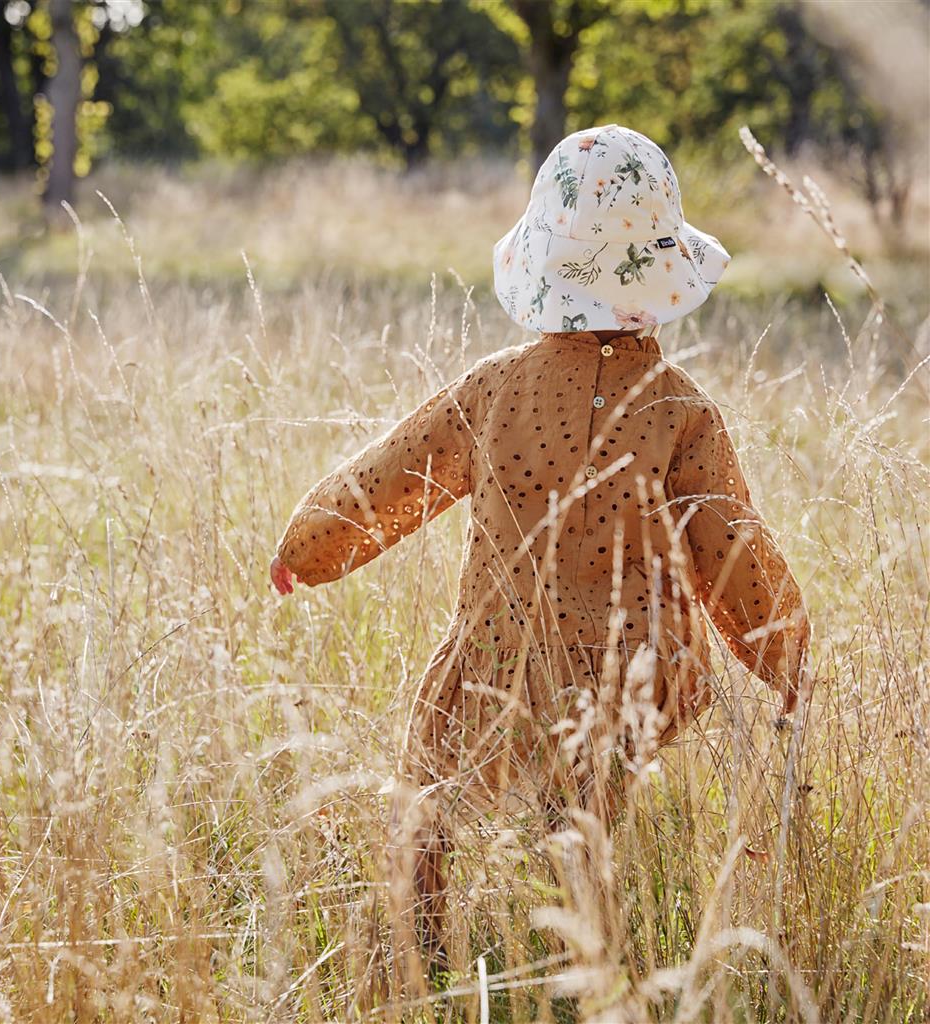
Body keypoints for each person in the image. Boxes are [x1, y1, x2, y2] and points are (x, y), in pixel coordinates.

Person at [270, 124, 810, 971]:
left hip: (499, 651)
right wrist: (784, 656)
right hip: (630, 666)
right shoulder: (679, 410)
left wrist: (309, 545)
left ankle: (424, 950)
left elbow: (391, 475)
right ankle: (581, 960)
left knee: (433, 800)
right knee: (584, 816)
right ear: (665, 269)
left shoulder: (493, 389)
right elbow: (731, 547)